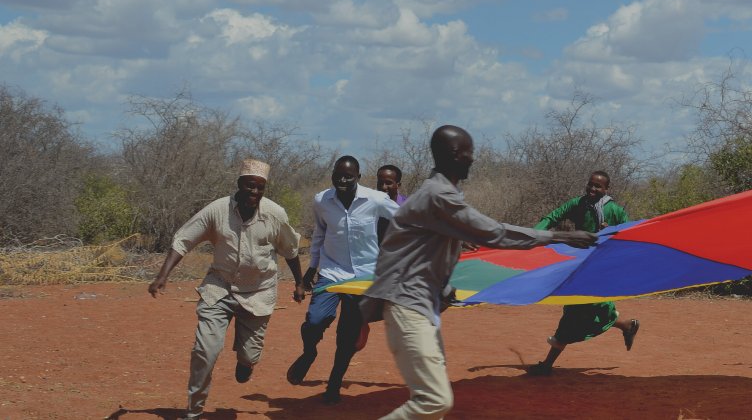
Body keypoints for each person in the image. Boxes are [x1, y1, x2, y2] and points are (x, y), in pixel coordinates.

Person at [361, 125, 596, 419]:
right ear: (454, 154)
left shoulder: (439, 194)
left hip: (420, 306)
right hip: (408, 306)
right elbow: (494, 233)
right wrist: (559, 237)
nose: (473, 159)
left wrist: (442, 285)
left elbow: (419, 251)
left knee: (433, 405)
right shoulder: (438, 196)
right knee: (434, 401)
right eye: (469, 152)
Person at [147, 159, 305, 419]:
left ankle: (246, 362)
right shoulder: (217, 210)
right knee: (205, 351)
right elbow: (184, 239)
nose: (254, 192)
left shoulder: (275, 214)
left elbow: (290, 249)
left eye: (259, 188)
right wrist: (162, 275)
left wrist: (299, 282)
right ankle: (194, 410)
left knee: (249, 354)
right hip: (219, 288)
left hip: (258, 291)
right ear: (239, 185)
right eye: (249, 186)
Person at [287, 156, 400, 404]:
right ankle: (309, 352)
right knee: (315, 320)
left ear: (358, 177)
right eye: (338, 175)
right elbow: (319, 234)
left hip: (364, 276)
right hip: (331, 271)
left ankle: (334, 384)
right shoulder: (322, 201)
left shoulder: (375, 199)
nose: (342, 180)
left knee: (347, 334)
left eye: (349, 176)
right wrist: (310, 270)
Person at [526, 170, 640, 376]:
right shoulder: (578, 204)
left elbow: (628, 235)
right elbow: (554, 216)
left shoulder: (614, 210)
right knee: (579, 308)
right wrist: (535, 235)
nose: (592, 189)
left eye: (598, 186)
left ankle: (547, 365)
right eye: (590, 185)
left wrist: (611, 231)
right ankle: (626, 325)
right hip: (579, 265)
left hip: (600, 269)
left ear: (606, 189)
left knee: (581, 308)